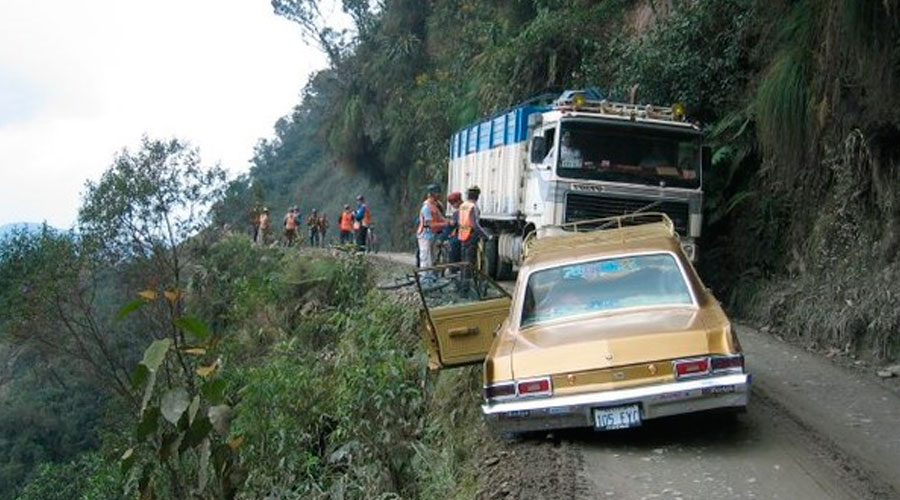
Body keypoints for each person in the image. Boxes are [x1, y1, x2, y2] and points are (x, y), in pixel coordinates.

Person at [416, 184, 448, 273]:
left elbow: (441, 217)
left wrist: (448, 222)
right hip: (425, 234)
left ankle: (430, 277)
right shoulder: (426, 207)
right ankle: (424, 278)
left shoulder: (434, 205)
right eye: (437, 193)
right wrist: (444, 224)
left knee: (431, 258)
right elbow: (430, 224)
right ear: (432, 194)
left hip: (432, 235)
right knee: (425, 258)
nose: (439, 195)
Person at [458, 186, 487, 276]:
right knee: (470, 261)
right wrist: (485, 235)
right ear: (477, 196)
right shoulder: (473, 207)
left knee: (464, 260)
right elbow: (475, 224)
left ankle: (463, 281)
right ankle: (468, 283)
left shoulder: (463, 206)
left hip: (462, 234)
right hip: (471, 235)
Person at [445, 191, 463, 264]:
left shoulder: (458, 212)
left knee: (453, 244)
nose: (453, 205)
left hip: (463, 235)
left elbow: (453, 225)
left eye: (454, 203)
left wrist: (443, 238)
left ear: (459, 201)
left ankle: (454, 267)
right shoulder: (457, 212)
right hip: (462, 234)